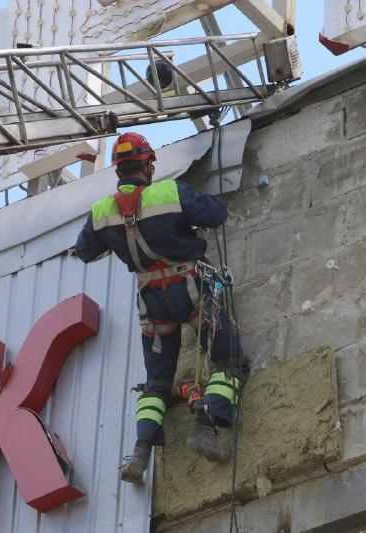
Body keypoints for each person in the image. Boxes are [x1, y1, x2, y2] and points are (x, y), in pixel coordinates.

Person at [75, 132, 243, 484]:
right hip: (189, 289)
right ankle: (205, 425)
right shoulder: (169, 193)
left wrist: (119, 241)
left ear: (118, 171)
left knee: (157, 383)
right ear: (149, 165)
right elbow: (216, 214)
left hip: (151, 302)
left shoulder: (102, 212)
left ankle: (140, 451)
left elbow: (86, 251)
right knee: (227, 358)